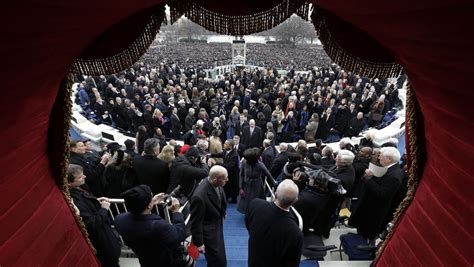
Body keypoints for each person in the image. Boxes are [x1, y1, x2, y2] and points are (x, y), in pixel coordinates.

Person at [115, 185, 188, 267]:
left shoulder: (119, 220)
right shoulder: (156, 226)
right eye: (151, 196)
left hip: (145, 260)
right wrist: (176, 212)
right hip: (165, 262)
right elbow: (180, 234)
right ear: (148, 205)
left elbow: (139, 215)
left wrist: (150, 203)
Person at [67, 164, 121, 267]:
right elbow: (90, 223)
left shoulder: (77, 190)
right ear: (69, 183)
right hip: (101, 244)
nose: (84, 177)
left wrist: (95, 201)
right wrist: (104, 209)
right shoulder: (73, 201)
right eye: (80, 176)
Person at [349, 147, 403, 240]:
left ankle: (358, 250)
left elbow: (382, 194)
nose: (378, 158)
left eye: (381, 156)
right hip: (368, 207)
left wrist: (369, 179)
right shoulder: (390, 169)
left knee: (363, 236)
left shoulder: (394, 176)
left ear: (389, 159)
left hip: (373, 213)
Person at [245, 180, 303, 267]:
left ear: (275, 194)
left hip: (254, 261)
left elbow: (248, 225)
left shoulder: (255, 204)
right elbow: (292, 263)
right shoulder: (296, 233)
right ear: (296, 200)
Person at [189, 166, 229, 267]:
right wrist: (199, 243)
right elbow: (196, 222)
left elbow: (220, 197)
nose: (227, 180)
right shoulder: (199, 197)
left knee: (219, 259)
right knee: (217, 261)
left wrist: (223, 213)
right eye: (225, 179)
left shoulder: (216, 183)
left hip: (216, 225)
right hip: (208, 233)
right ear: (215, 180)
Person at [237, 148, 275, 214]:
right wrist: (241, 188)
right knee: (246, 202)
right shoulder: (244, 162)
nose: (245, 159)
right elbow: (241, 175)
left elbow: (269, 175)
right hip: (246, 185)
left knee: (256, 202)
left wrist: (275, 185)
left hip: (257, 186)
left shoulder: (260, 165)